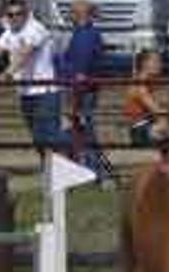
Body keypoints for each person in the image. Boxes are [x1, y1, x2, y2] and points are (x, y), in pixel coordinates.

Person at [0, 0, 70, 153]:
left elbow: (24, 55)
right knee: (38, 139)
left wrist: (5, 75)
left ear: (26, 13)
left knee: (48, 136)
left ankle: (80, 146)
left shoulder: (35, 29)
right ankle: (58, 169)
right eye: (11, 14)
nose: (14, 17)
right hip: (25, 92)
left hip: (45, 92)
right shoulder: (10, 32)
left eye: (19, 14)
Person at [58, 0, 111, 180]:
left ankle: (97, 172)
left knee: (84, 131)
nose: (69, 15)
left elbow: (80, 70)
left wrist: (73, 96)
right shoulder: (85, 33)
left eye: (72, 12)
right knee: (82, 130)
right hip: (82, 89)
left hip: (81, 91)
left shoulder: (85, 36)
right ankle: (90, 170)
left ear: (81, 14)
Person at [123, 50, 169, 147]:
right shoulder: (141, 84)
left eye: (160, 61)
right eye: (155, 61)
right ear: (144, 64)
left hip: (148, 125)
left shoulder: (150, 81)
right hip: (142, 130)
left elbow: (167, 102)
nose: (159, 65)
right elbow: (157, 110)